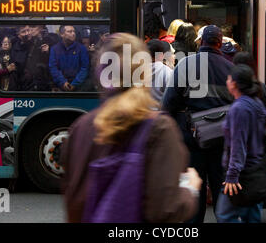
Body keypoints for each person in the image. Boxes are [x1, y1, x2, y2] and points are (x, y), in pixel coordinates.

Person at [61, 32, 201, 223]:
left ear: (100, 73)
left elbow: (73, 202)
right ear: (144, 71)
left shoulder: (80, 128)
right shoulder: (159, 128)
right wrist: (189, 188)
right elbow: (166, 210)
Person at [162, 25, 234, 223]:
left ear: (200, 42)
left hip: (192, 138)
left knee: (194, 187)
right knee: (221, 186)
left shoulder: (186, 64)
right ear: (220, 42)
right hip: (221, 138)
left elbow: (169, 102)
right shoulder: (231, 69)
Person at [215, 64, 266, 223]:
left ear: (235, 84)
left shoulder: (239, 108)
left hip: (242, 173)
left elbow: (238, 145)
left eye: (229, 78)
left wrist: (232, 176)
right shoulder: (255, 102)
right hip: (256, 168)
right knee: (251, 216)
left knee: (224, 215)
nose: (227, 81)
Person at [49, 25, 90, 92]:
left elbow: (84, 68)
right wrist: (63, 82)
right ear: (62, 34)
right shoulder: (55, 49)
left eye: (74, 31)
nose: (73, 34)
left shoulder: (81, 48)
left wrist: (74, 84)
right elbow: (53, 68)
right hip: (60, 85)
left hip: (78, 86)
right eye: (69, 32)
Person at [147, 39, 173, 104]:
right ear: (162, 55)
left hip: (141, 111)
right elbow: (171, 96)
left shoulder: (137, 70)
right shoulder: (167, 71)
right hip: (160, 111)